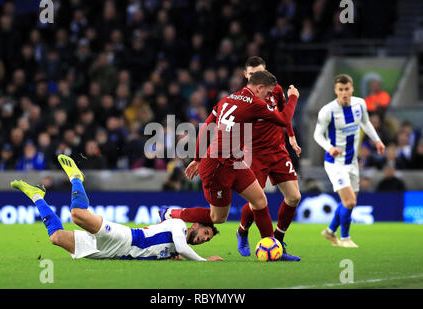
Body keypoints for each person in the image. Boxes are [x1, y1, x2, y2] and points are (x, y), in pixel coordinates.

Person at [160, 70, 299, 254]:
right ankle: (170, 213)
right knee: (217, 217)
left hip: (235, 161)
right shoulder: (256, 104)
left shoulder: (227, 99)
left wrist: (197, 159)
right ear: (259, 88)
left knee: (259, 200)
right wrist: (293, 98)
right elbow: (283, 119)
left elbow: (205, 128)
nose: (268, 97)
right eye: (267, 93)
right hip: (217, 166)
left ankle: (272, 249)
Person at [10, 154, 223, 262]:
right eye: (206, 232)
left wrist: (174, 256)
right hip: (124, 238)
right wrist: (205, 261)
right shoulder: (178, 226)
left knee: (56, 238)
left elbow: (174, 250)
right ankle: (77, 178)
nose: (204, 238)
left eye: (207, 239)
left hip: (112, 254)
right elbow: (183, 247)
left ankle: (36, 195)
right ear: (195, 224)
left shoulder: (175, 251)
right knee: (77, 215)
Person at [234, 56, 301, 261]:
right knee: (257, 200)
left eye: (261, 73)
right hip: (254, 154)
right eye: (253, 74)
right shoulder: (244, 99)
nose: (258, 78)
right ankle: (243, 230)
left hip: (278, 151)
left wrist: (291, 136)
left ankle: (278, 241)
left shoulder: (276, 90)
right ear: (246, 75)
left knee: (294, 197)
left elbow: (283, 114)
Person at [314, 74, 385, 248]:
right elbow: (317, 135)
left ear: (352, 89)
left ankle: (330, 231)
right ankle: (345, 238)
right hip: (335, 163)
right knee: (350, 201)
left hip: (352, 162)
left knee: (349, 202)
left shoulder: (360, 104)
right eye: (340, 90)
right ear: (335, 90)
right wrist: (329, 148)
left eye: (347, 89)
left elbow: (366, 123)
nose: (344, 93)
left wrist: (377, 140)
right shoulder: (327, 111)